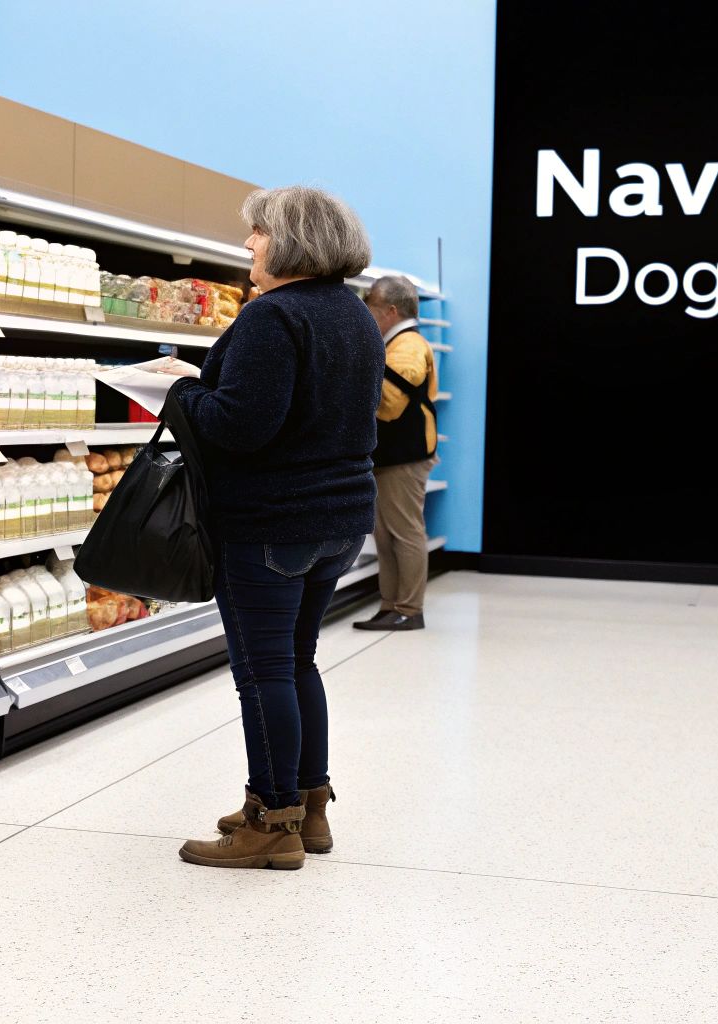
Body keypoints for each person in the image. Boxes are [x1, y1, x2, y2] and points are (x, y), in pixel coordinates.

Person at [162, 186, 382, 870]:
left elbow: (241, 426)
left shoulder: (272, 318)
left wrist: (181, 391)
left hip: (271, 524)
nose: (248, 244)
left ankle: (271, 823)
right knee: (297, 661)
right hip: (338, 519)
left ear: (288, 240)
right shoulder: (353, 315)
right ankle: (308, 806)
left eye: (256, 232)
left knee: (262, 675)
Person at [356, 275, 439, 631]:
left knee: (404, 532)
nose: (367, 313)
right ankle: (392, 605)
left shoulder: (408, 345)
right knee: (386, 534)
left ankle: (409, 608)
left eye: (371, 306)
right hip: (393, 455)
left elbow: (388, 405)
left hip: (406, 456)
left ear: (390, 310)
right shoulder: (398, 344)